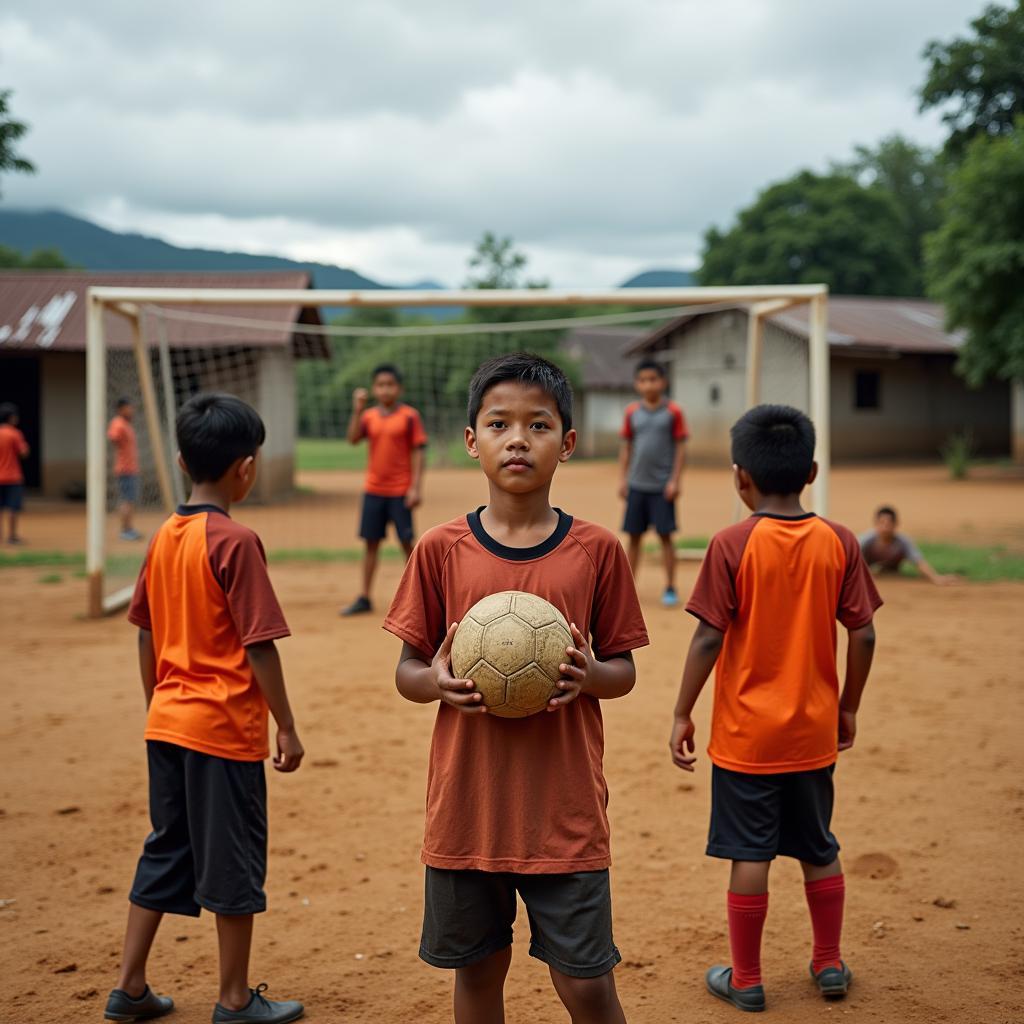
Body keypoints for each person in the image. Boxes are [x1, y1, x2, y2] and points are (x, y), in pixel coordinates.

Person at [384, 353, 648, 1024]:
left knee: (587, 985)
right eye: (499, 423)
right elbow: (408, 671)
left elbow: (623, 671)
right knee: (477, 977)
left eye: (537, 424)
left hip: (565, 816)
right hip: (467, 814)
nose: (518, 439)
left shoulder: (597, 551)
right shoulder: (440, 549)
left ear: (567, 443)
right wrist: (436, 683)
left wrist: (591, 675)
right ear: (472, 441)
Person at [668, 404, 881, 1014]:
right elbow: (863, 633)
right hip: (813, 731)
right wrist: (848, 707)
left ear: (741, 478)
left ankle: (747, 979)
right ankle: (829, 963)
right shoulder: (839, 540)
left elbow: (708, 635)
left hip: (745, 739)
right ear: (811, 470)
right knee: (819, 846)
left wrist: (683, 710)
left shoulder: (732, 543)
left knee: (749, 854)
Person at [105, 393, 306, 1024]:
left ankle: (131, 987)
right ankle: (234, 998)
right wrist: (288, 725)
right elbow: (259, 645)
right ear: (245, 468)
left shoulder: (164, 533)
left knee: (167, 847)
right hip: (221, 731)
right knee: (232, 862)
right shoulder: (236, 540)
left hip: (166, 721)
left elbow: (144, 630)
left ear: (181, 459)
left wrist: (157, 702)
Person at [340, 364, 427, 616]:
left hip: (400, 491)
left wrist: (415, 488)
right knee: (371, 544)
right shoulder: (368, 416)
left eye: (390, 384)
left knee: (407, 543)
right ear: (374, 388)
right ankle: (365, 597)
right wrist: (357, 409)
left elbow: (419, 451)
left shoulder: (410, 416)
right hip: (374, 490)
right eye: (380, 384)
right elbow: (353, 439)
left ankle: (421, 599)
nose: (385, 389)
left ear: (399, 388)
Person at [618, 359, 689, 607]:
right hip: (637, 485)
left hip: (662, 488)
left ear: (663, 382)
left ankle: (670, 587)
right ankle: (627, 590)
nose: (648, 384)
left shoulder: (673, 412)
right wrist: (623, 479)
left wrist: (675, 480)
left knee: (665, 537)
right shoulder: (631, 413)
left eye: (653, 379)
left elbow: (680, 449)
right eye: (643, 380)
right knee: (634, 538)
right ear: (637, 384)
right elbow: (626, 447)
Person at [860, 505, 956, 585]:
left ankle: (885, 571)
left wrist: (936, 578)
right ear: (875, 524)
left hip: (890, 570)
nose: (885, 528)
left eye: (888, 524)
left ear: (895, 524)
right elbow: (850, 558)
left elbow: (918, 561)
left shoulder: (903, 541)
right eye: (881, 523)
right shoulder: (865, 539)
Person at [108, 397, 142, 541]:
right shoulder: (118, 422)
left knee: (130, 500)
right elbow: (112, 437)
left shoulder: (126, 424)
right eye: (129, 407)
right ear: (121, 409)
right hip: (125, 469)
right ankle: (125, 530)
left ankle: (129, 528)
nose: (131, 410)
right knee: (126, 500)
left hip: (131, 469)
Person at [0, 402, 30, 545]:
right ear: (11, 418)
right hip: (12, 476)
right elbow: (23, 452)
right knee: (12, 508)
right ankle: (11, 536)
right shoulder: (14, 434)